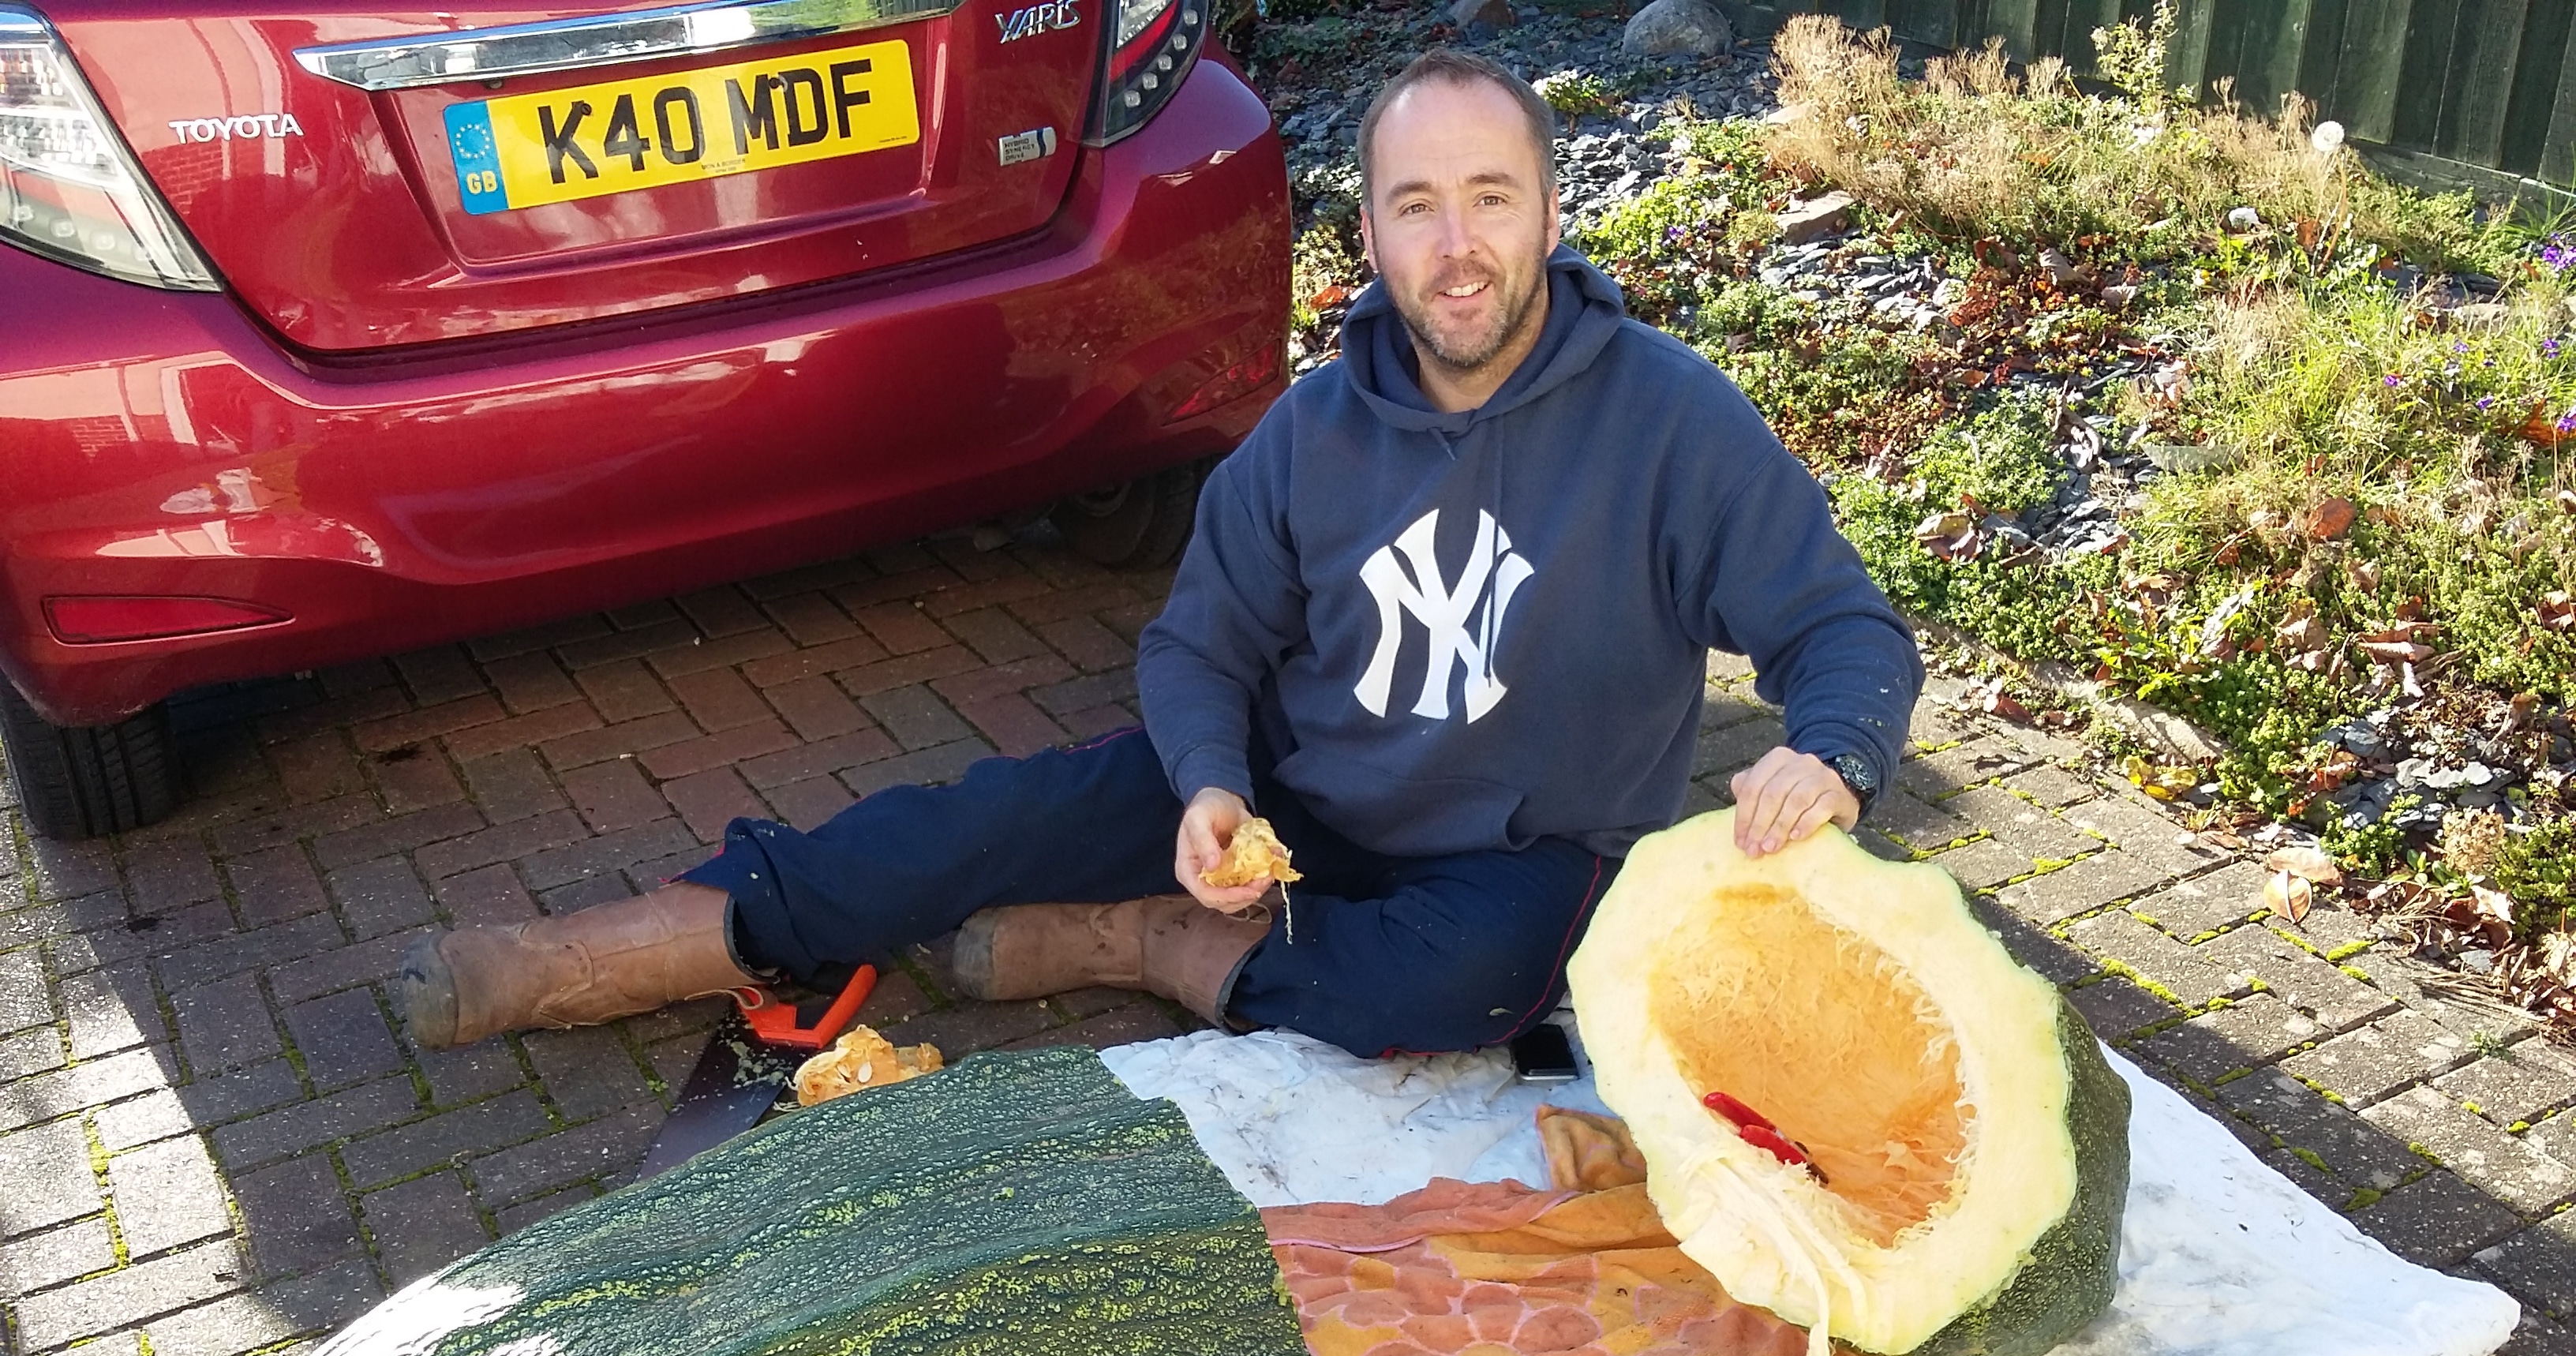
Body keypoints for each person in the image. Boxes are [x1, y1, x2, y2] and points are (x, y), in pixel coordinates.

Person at [399, 49, 1922, 1061]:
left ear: (1546, 210)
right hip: (1283, 796)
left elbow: (1842, 630)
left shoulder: (1670, 421)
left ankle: (1150, 950)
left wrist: (1833, 753)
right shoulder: (1311, 433)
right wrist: (1207, 781)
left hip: (1518, 858)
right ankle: (601, 954)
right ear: (1375, 238)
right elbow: (1202, 645)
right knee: (971, 822)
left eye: (1490, 199)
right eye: (1416, 207)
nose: (1457, 246)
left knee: (1445, 995)